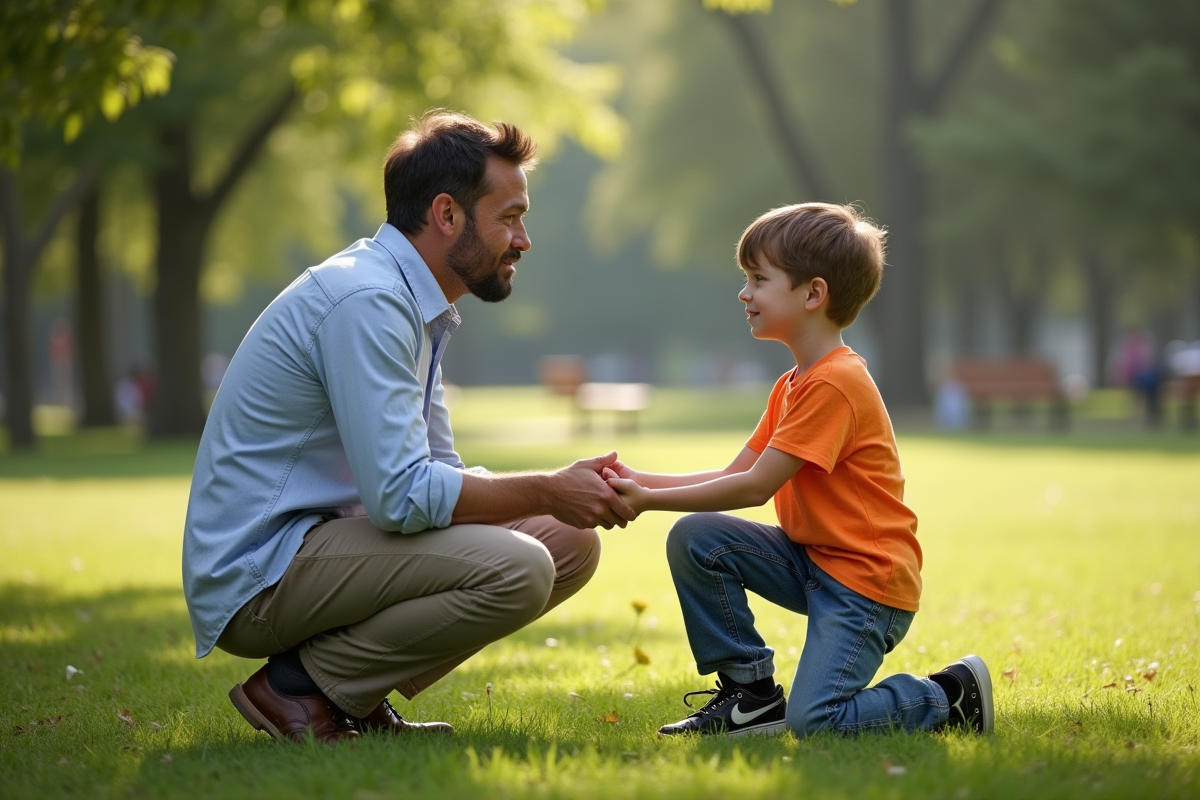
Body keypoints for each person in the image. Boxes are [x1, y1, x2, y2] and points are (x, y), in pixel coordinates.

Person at [182, 110, 636, 745]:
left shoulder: (413, 303)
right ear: (446, 214)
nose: (524, 240)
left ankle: (351, 694)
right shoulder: (368, 301)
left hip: (323, 547)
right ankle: (295, 688)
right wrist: (545, 488)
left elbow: (439, 476)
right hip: (261, 573)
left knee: (568, 541)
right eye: (509, 217)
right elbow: (401, 498)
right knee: (521, 566)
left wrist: (563, 496)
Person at [604, 203, 993, 739]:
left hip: (864, 584)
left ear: (813, 294)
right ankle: (752, 696)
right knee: (698, 539)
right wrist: (638, 481)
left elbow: (755, 487)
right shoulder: (794, 384)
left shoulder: (835, 383)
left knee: (817, 721)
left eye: (759, 279)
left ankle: (948, 696)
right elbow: (738, 469)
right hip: (812, 561)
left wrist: (646, 501)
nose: (744, 293)